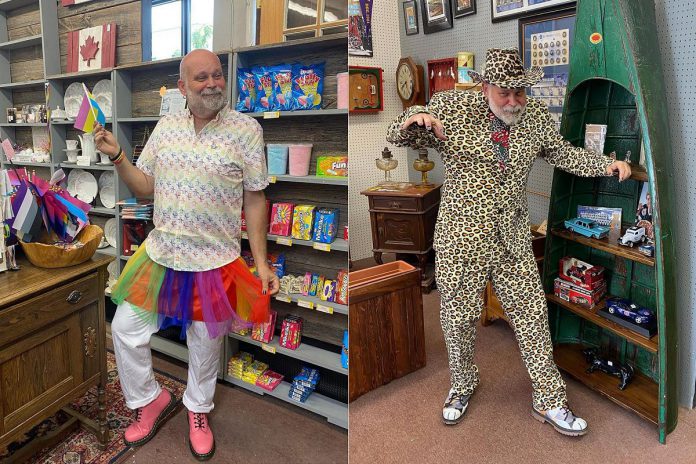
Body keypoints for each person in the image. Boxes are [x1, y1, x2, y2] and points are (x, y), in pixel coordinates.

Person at [386, 48, 631, 437]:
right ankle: (463, 384)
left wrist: (604, 165)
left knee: (532, 316)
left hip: (513, 236)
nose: (514, 101)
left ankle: (549, 399)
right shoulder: (450, 106)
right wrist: (413, 121)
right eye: (505, 92)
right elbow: (401, 132)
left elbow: (561, 152)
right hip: (461, 237)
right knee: (459, 319)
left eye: (520, 91)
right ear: (485, 87)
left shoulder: (533, 115)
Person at [93, 49, 280, 460]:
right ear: (182, 87)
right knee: (125, 327)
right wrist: (117, 155)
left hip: (213, 261)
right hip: (162, 256)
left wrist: (262, 263)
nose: (212, 83)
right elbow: (145, 188)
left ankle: (198, 410)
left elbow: (255, 199)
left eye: (217, 75)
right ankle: (151, 399)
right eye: (201, 78)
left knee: (205, 344)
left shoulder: (246, 130)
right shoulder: (166, 127)